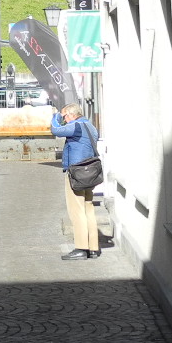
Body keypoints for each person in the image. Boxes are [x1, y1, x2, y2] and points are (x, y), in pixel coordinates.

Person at [51, 103, 101, 260]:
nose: (64, 120)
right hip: (90, 172)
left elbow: (55, 130)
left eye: (65, 117)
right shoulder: (90, 126)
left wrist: (56, 116)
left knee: (77, 210)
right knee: (88, 209)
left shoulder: (76, 126)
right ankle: (93, 248)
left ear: (72, 115)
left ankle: (81, 248)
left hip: (76, 173)